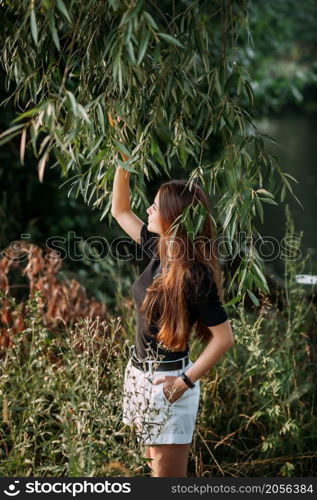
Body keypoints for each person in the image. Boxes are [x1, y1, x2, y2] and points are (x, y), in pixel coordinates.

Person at [111, 138, 234, 478]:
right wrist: (124, 158)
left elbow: (223, 339)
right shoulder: (158, 249)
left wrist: (183, 382)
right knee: (151, 474)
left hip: (168, 383)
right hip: (138, 375)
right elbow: (120, 210)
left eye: (155, 207)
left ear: (173, 218)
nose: (148, 210)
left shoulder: (195, 275)